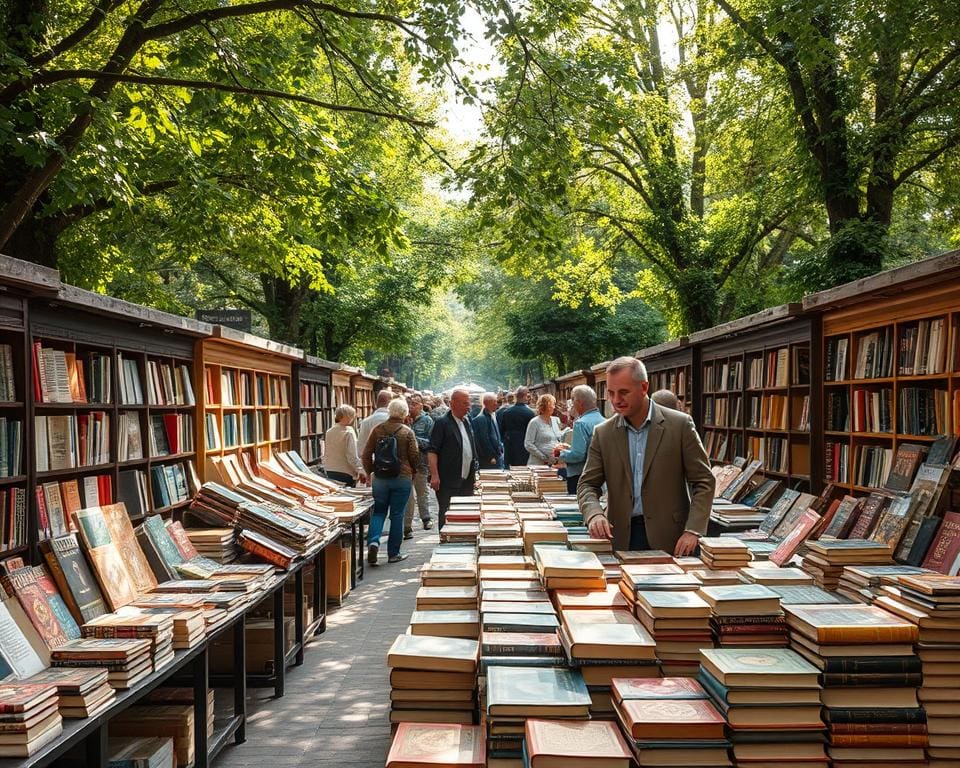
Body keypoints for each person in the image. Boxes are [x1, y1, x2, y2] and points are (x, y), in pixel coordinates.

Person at [578, 356, 715, 556]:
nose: (616, 400)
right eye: (611, 393)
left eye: (623, 392)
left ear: (644, 387)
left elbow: (704, 480)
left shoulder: (680, 426)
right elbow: (587, 484)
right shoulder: (603, 433)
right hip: (620, 537)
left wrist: (693, 530)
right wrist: (594, 513)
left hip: (673, 538)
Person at [361, 397, 419, 565]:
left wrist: (371, 471)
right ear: (404, 413)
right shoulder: (407, 432)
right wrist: (413, 471)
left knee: (378, 512)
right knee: (397, 514)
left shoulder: (378, 429)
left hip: (380, 478)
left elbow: (366, 454)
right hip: (402, 477)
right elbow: (414, 455)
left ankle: (373, 541)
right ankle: (393, 553)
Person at [428, 388, 479, 529]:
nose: (468, 407)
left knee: (465, 513)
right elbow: (432, 451)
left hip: (466, 479)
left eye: (468, 403)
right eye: (464, 403)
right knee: (447, 514)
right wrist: (434, 475)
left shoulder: (467, 421)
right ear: (453, 404)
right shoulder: (442, 423)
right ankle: (445, 544)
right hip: (448, 480)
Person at [554, 385, 605, 494]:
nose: (571, 404)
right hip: (601, 476)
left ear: (579, 402)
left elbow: (578, 455)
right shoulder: (605, 421)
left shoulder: (581, 423)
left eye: (572, 400)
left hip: (580, 476)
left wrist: (560, 453)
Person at [404, 394, 434, 538]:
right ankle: (407, 527)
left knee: (422, 493)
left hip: (421, 464)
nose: (411, 407)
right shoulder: (403, 420)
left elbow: (430, 444)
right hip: (405, 466)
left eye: (414, 404)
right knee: (408, 497)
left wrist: (412, 437)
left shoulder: (427, 421)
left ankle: (426, 519)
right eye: (409, 404)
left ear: (421, 406)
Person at [323, 405, 367, 487]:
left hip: (330, 469)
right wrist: (359, 470)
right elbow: (351, 455)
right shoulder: (349, 432)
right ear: (348, 416)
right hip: (346, 472)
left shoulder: (329, 431)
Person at [499, 386, 535, 466]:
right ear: (525, 397)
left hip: (509, 446)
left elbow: (502, 430)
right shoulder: (530, 413)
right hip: (524, 447)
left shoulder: (506, 412)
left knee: (510, 468)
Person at [524, 394, 562, 466]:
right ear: (546, 406)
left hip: (554, 464)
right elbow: (528, 444)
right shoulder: (534, 422)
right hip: (538, 464)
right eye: (552, 404)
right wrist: (543, 457)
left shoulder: (556, 420)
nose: (554, 407)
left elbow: (559, 439)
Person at [472, 392, 504, 469]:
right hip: (489, 460)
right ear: (487, 403)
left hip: (496, 456)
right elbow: (483, 439)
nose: (496, 404)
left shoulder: (491, 415)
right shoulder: (481, 418)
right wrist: (491, 456)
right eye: (494, 402)